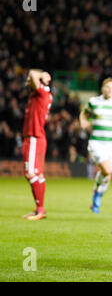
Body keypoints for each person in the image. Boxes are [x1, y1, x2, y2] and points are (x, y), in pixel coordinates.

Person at [79, 78, 112, 213]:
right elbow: (83, 114)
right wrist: (83, 122)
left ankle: (97, 194)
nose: (109, 89)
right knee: (107, 170)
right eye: (107, 87)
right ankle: (96, 196)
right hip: (96, 142)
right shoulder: (94, 102)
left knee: (107, 175)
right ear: (102, 88)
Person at [22, 69, 53, 220]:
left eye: (29, 80)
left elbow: (33, 74)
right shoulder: (39, 94)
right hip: (35, 138)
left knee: (31, 173)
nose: (28, 81)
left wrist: (42, 75)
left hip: (35, 137)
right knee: (37, 175)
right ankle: (39, 209)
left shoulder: (42, 93)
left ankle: (40, 209)